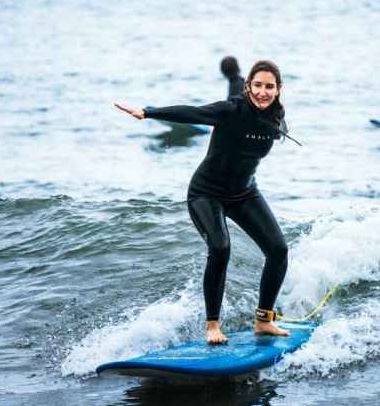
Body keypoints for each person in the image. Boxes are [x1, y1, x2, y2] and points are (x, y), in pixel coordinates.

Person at [115, 60, 291, 344]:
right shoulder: (231, 110)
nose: (263, 92)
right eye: (257, 85)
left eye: (269, 86)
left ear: (278, 89)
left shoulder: (276, 119)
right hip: (206, 193)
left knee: (279, 250)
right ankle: (212, 326)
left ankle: (263, 321)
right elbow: (192, 112)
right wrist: (148, 112)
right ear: (248, 87)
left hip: (245, 193)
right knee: (220, 247)